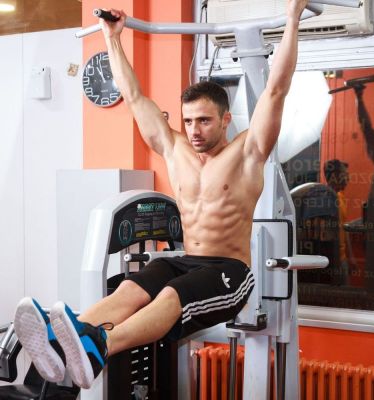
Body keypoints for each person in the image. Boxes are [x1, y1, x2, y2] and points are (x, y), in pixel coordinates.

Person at [14, 0, 309, 390]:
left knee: (171, 295)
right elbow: (134, 97)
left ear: (226, 119)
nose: (194, 130)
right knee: (130, 288)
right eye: (188, 121)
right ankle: (61, 340)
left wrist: (292, 19)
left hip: (229, 272)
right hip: (186, 260)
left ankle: (99, 347)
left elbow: (276, 90)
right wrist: (112, 37)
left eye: (204, 121)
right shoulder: (174, 150)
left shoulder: (248, 152)